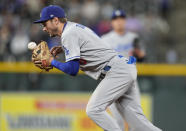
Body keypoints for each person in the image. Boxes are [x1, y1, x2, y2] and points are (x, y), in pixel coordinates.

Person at [33, 5, 162, 131]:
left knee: (93, 109)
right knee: (139, 125)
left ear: (55, 20)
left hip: (116, 72)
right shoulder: (73, 28)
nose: (44, 28)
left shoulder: (68, 34)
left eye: (44, 24)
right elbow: (91, 44)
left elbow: (72, 70)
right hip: (122, 68)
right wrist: (63, 49)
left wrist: (52, 62)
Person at [101, 9, 145, 131]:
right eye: (116, 19)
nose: (119, 22)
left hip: (131, 82)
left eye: (121, 19)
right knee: (117, 121)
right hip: (113, 81)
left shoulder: (133, 37)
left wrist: (139, 54)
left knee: (135, 120)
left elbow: (142, 58)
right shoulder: (105, 39)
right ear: (112, 22)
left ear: (125, 21)